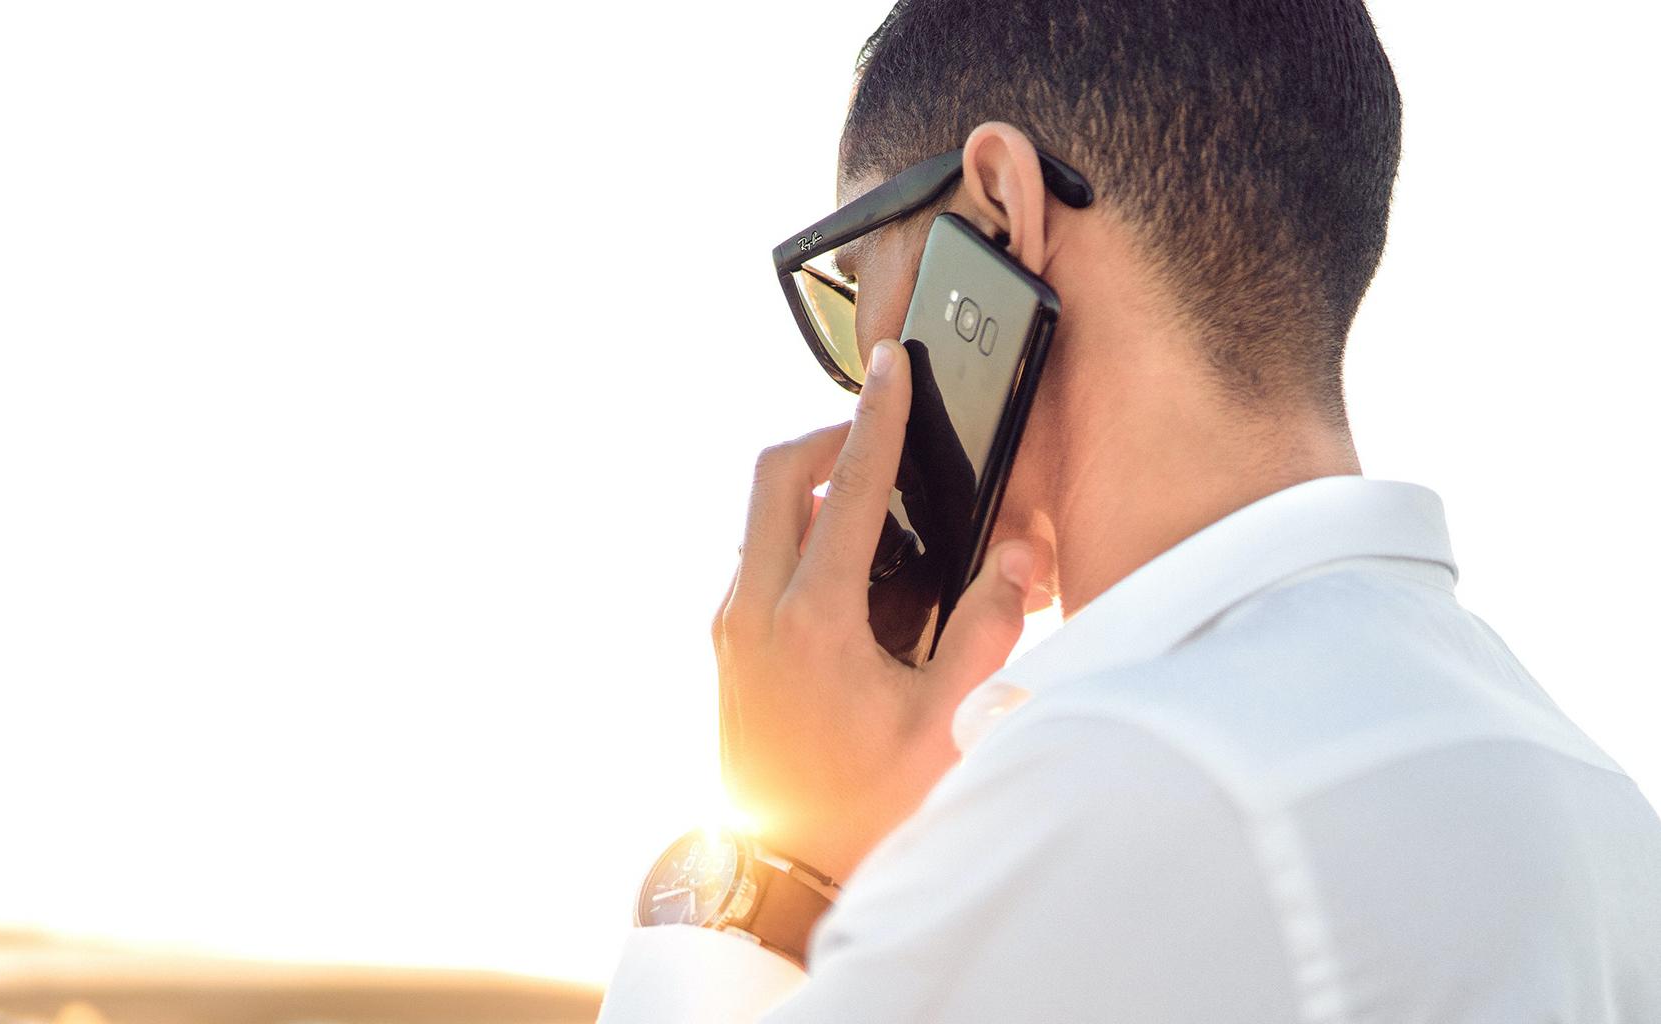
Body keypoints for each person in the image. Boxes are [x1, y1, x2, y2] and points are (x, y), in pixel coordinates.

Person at [599, 0, 1661, 1020]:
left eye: (857, 285)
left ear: (999, 220)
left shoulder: (1117, 798)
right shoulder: (1598, 806)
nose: (855, 373)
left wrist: (777, 876)